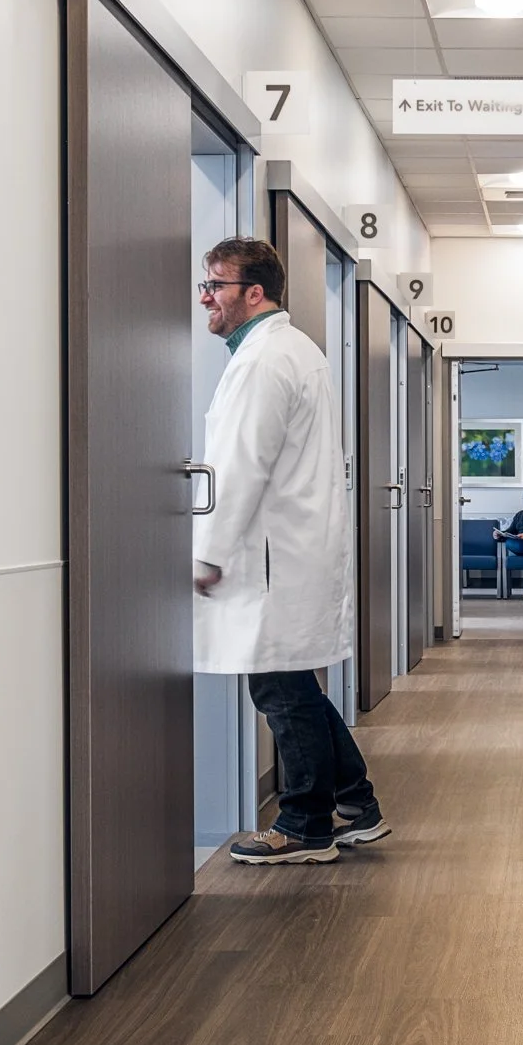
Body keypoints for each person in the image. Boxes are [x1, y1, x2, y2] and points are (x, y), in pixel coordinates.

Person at [192, 236, 390, 866]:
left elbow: (241, 463)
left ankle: (305, 826)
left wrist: (208, 550)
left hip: (273, 556)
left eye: (216, 285)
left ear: (254, 292)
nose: (205, 297)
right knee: (291, 683)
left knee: (280, 690)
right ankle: (357, 804)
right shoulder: (289, 349)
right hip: (290, 550)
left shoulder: (264, 360)